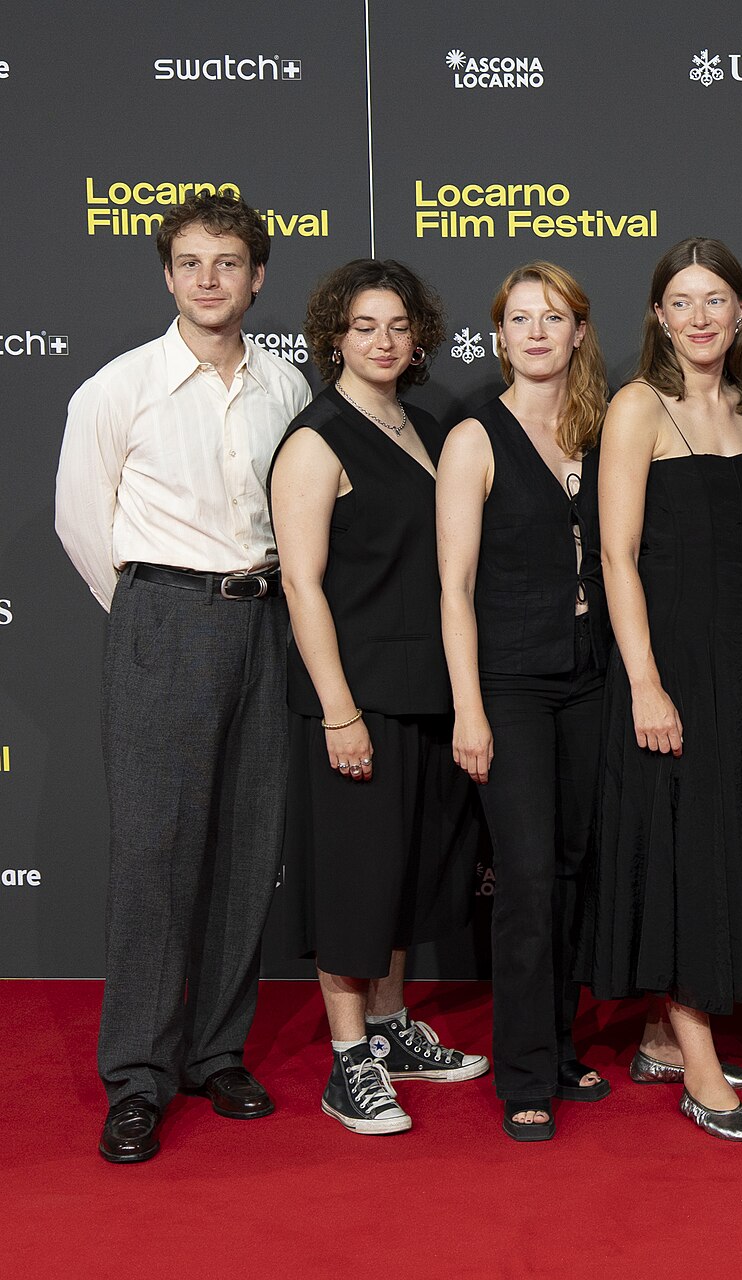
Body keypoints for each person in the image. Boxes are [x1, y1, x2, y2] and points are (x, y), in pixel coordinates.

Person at [56, 192, 312, 1164]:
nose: (210, 279)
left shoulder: (286, 386)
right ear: (168, 276)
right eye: (192, 262)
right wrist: (155, 616)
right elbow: (83, 524)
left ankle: (215, 1050)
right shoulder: (115, 389)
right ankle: (138, 1076)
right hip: (163, 617)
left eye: (229, 262)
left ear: (257, 277)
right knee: (154, 860)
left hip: (267, 620)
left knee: (249, 849)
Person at [580, 237, 742, 1142]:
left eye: (717, 300)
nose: (701, 317)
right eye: (683, 301)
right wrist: (644, 685)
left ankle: (668, 1039)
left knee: (721, 846)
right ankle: (702, 1070)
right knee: (683, 854)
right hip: (667, 666)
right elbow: (616, 558)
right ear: (659, 316)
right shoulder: (636, 408)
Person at [272, 258, 489, 1136]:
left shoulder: (427, 428)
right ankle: (347, 1060)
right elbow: (301, 584)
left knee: (406, 874)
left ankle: (394, 1030)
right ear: (335, 337)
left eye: (398, 326)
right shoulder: (315, 439)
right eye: (365, 327)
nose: (384, 341)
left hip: (430, 691)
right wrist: (338, 709)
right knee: (355, 882)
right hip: (356, 695)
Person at [438, 262, 613, 1140]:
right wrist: (468, 707)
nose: (537, 331)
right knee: (529, 877)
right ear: (498, 335)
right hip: (507, 685)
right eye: (519, 318)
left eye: (553, 317)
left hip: (589, 678)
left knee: (575, 870)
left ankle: (557, 1043)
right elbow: (454, 585)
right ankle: (522, 1076)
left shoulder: (597, 425)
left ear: (579, 331)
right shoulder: (475, 435)